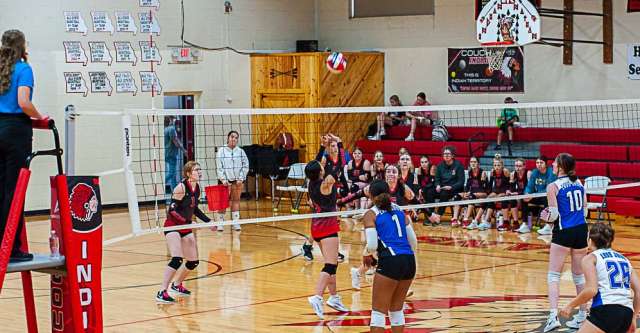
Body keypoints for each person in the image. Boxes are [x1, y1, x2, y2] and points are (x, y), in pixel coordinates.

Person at [0, 30, 46, 262]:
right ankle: (11, 249)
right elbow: (23, 102)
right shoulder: (23, 69)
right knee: (14, 191)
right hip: (15, 130)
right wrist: (40, 117)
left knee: (1, 189)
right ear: (22, 46)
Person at [540, 153, 590, 332]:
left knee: (553, 275)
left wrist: (545, 217)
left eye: (554, 162)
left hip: (564, 232)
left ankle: (553, 317)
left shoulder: (553, 186)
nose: (552, 164)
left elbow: (553, 215)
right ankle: (583, 315)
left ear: (560, 166)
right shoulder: (579, 183)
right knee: (579, 276)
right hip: (581, 230)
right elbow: (585, 212)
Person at [560, 223, 639, 333]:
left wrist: (570, 305)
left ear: (590, 240)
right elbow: (639, 290)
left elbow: (591, 290)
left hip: (606, 309)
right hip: (627, 313)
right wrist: (634, 317)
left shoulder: (591, 258)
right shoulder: (625, 260)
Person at [363, 180, 417, 333]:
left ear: (371, 195)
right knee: (396, 310)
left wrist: (366, 254)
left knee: (378, 313)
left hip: (391, 261)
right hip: (409, 261)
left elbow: (372, 245)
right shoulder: (399, 210)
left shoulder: (370, 214)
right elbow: (413, 241)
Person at [156, 161, 211, 303]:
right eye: (196, 170)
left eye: (200, 169)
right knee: (177, 259)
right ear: (188, 173)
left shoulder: (197, 187)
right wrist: (188, 222)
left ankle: (176, 285)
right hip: (173, 226)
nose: (199, 172)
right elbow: (172, 211)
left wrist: (209, 222)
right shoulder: (181, 187)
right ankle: (162, 291)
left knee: (193, 262)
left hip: (185, 226)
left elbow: (195, 208)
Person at [305, 160, 348, 319]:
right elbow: (339, 168)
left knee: (333, 264)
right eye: (321, 165)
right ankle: (317, 297)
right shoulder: (325, 185)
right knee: (330, 265)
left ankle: (334, 298)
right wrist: (340, 147)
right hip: (327, 228)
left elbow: (320, 165)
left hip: (316, 227)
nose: (324, 165)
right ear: (320, 171)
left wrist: (325, 147)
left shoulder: (312, 183)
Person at [215, 130, 249, 232]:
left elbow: (245, 165)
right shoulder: (222, 150)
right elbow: (219, 167)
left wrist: (241, 178)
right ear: (228, 138)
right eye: (232, 137)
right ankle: (220, 223)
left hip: (237, 181)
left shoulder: (241, 151)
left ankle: (235, 223)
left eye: (236, 137)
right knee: (223, 202)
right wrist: (224, 180)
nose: (234, 139)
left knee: (236, 201)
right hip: (224, 181)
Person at [430, 146, 465, 226]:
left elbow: (461, 182)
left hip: (455, 189)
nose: (446, 155)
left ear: (453, 155)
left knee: (445, 193)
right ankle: (430, 214)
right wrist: (437, 185)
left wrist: (451, 187)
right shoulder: (440, 166)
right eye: (445, 154)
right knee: (429, 191)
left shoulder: (458, 165)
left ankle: (438, 215)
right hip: (443, 188)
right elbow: (437, 179)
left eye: (448, 154)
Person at [524, 155, 557, 235]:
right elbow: (530, 185)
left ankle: (548, 226)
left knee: (547, 199)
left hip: (549, 196)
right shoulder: (535, 172)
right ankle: (525, 225)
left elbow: (548, 189)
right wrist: (527, 193)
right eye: (537, 162)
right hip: (538, 196)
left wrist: (533, 195)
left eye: (541, 163)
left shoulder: (551, 172)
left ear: (546, 164)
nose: (539, 164)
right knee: (524, 199)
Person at [455, 156, 488, 229]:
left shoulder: (482, 172)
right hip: (472, 194)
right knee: (458, 196)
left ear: (478, 163)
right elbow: (467, 185)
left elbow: (485, 189)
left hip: (483, 194)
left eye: (474, 162)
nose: (473, 163)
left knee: (471, 196)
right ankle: (455, 219)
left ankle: (466, 219)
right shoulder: (470, 172)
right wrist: (465, 193)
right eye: (471, 162)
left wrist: (483, 181)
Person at [482, 154, 512, 231]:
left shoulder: (505, 172)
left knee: (498, 198)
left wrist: (505, 193)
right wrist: (484, 181)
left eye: (498, 165)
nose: (496, 167)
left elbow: (510, 185)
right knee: (488, 199)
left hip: (504, 191)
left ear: (502, 165)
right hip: (496, 190)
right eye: (495, 165)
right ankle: (486, 220)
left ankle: (499, 217)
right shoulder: (492, 172)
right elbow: (489, 185)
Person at [164, 116, 186, 196]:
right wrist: (184, 150)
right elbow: (176, 142)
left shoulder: (164, 129)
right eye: (172, 119)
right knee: (171, 173)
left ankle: (174, 191)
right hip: (171, 153)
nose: (173, 121)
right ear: (170, 120)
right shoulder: (171, 129)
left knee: (173, 174)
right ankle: (161, 184)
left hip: (166, 153)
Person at [509, 158, 531, 233]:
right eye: (516, 166)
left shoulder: (528, 173)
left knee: (524, 199)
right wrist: (511, 181)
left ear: (524, 166)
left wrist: (517, 193)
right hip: (520, 194)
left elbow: (530, 188)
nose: (517, 168)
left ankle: (525, 224)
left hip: (529, 194)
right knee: (512, 200)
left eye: (519, 166)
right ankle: (516, 222)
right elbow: (512, 190)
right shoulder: (513, 174)